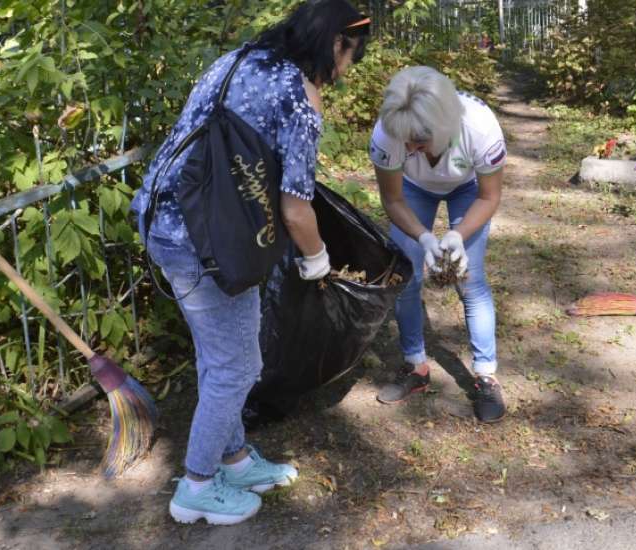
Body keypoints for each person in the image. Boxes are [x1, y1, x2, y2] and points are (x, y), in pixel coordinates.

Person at [130, 0, 370, 526]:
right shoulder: (300, 97)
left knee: (219, 357)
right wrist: (318, 263)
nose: (348, 70)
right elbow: (295, 207)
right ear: (336, 44)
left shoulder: (237, 60)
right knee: (238, 365)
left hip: (165, 218)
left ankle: (233, 459)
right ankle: (196, 485)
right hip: (211, 243)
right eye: (352, 56)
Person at [369, 66, 507, 423]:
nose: (411, 147)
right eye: (406, 141)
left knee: (470, 279)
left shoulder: (480, 127)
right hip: (413, 191)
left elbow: (489, 197)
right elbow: (393, 199)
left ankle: (485, 375)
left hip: (468, 189)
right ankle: (415, 367)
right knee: (405, 277)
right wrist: (425, 237)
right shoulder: (388, 132)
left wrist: (457, 236)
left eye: (420, 140)